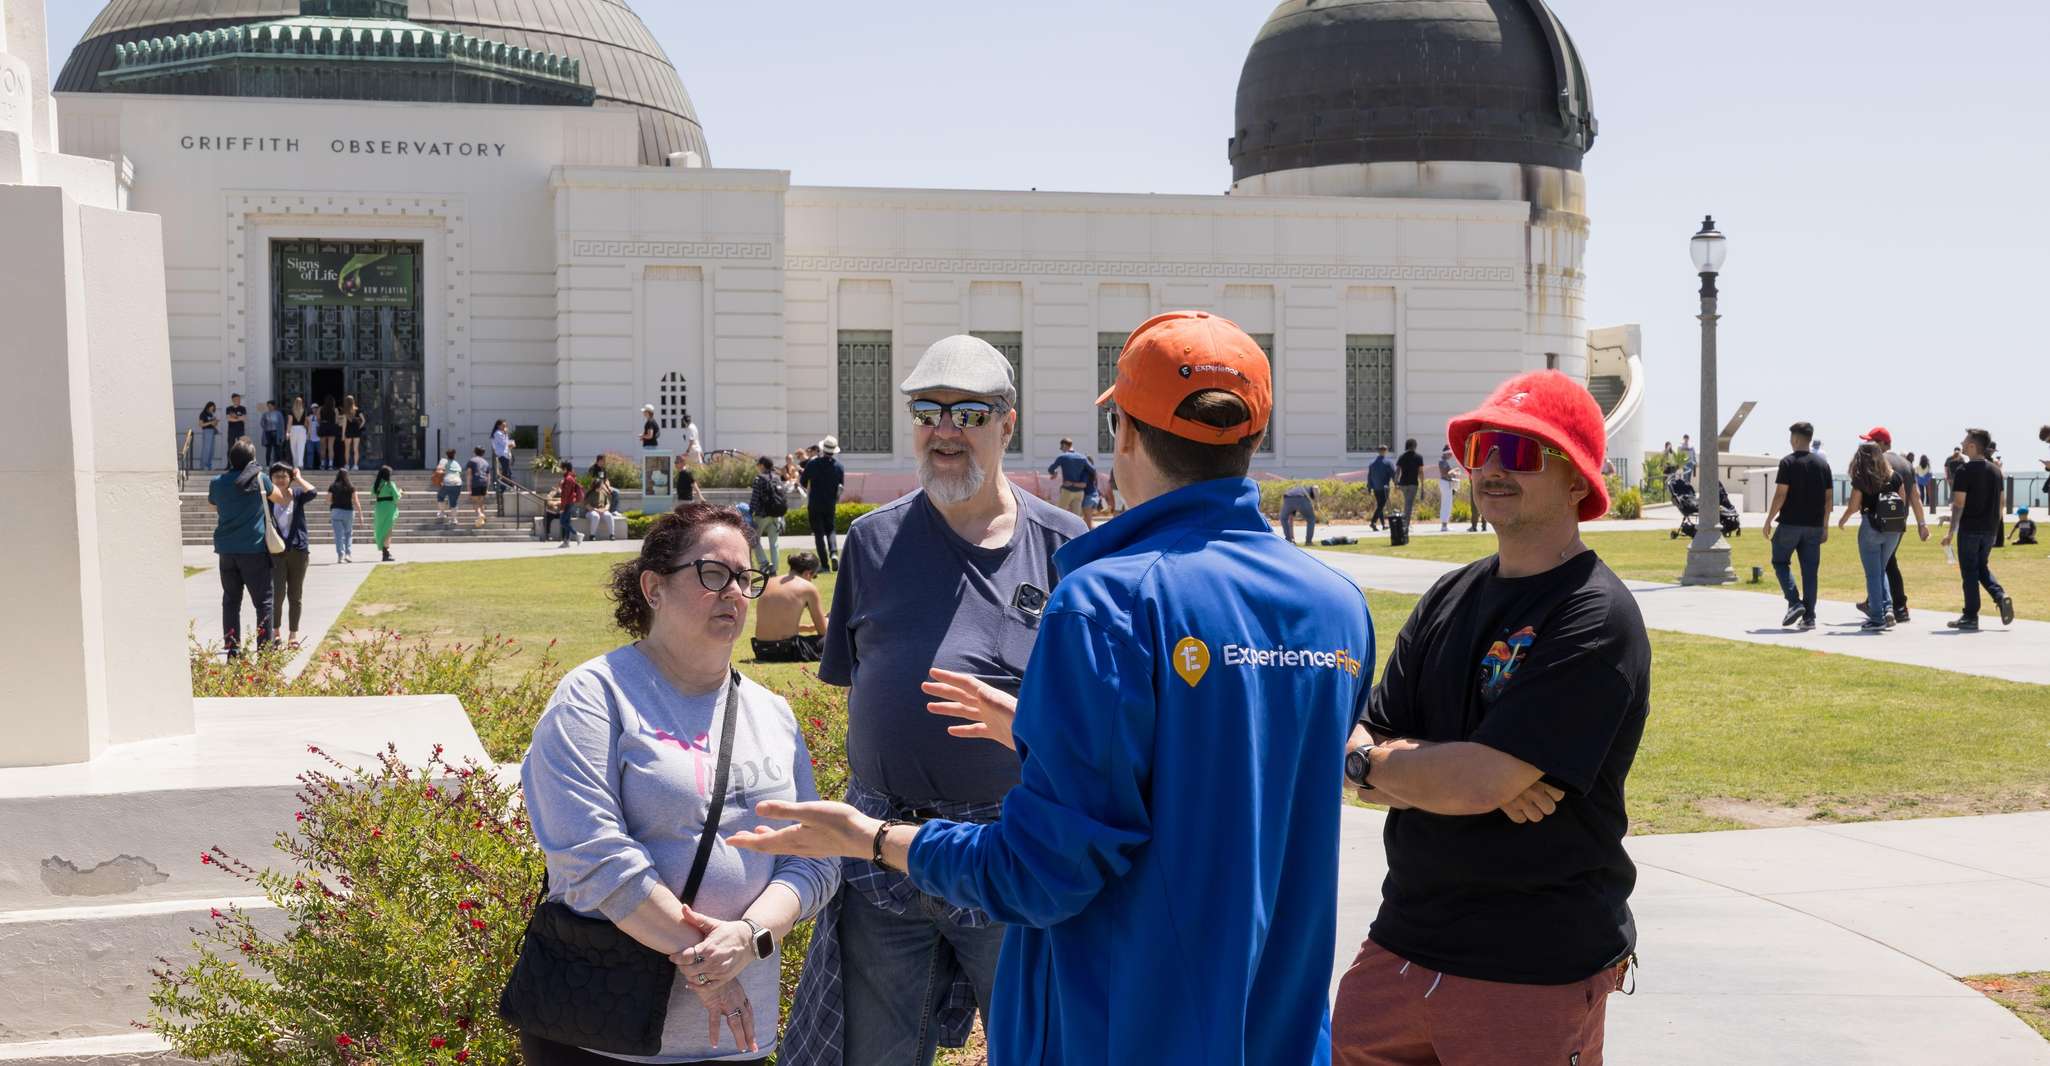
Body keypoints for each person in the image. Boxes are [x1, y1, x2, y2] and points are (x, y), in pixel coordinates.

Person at [733, 311, 1370, 1066]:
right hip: (1276, 1031)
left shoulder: (1108, 601)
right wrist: (1038, 728)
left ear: (1124, 434)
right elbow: (1208, 772)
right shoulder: (1335, 606)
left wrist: (869, 838)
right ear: (1252, 438)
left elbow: (1041, 873)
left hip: (1126, 1025)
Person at [767, 333, 1085, 1066]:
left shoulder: (1067, 548)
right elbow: (860, 681)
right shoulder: (873, 542)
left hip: (1012, 858)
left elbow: (1093, 718)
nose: (944, 431)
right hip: (881, 859)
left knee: (1043, 1049)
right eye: (926, 411)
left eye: (967, 412)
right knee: (871, 1054)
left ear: (1008, 423)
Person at [1333, 369, 1648, 1066]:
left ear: (1578, 481)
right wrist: (1386, 764)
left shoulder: (1595, 617)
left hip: (1532, 968)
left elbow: (1477, 780)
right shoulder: (1448, 595)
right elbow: (1361, 740)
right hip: (1399, 948)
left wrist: (1448, 772)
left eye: (1525, 449)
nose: (1495, 465)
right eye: (1482, 447)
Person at [516, 503, 838, 1065]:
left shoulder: (772, 712)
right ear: (654, 587)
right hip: (603, 1028)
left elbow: (814, 857)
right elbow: (591, 856)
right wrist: (708, 967)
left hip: (736, 1036)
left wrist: (751, 936)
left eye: (746, 578)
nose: (734, 592)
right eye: (713, 574)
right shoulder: (596, 695)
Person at [209, 438, 288, 657]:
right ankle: (264, 651)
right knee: (264, 602)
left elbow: (212, 503)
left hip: (226, 550)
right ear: (252, 460)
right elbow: (280, 499)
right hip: (254, 550)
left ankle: (233, 649)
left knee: (231, 600)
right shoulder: (261, 480)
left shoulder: (217, 482)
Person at [1854, 428, 1930, 625]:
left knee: (1884, 564)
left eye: (1871, 441)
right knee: (1886, 562)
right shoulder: (1905, 464)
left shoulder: (1875, 462)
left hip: (1876, 520)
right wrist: (1922, 524)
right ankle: (1881, 603)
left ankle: (1895, 606)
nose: (1867, 445)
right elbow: (1915, 496)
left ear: (1882, 443)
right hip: (1897, 522)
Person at [1761, 421, 1833, 629]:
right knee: (1810, 572)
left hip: (1790, 524)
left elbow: (1781, 494)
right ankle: (1809, 617)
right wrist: (1825, 526)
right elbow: (1829, 499)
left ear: (1795, 439)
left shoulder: (1788, 463)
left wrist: (1768, 520)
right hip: (1814, 526)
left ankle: (1794, 602)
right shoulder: (1823, 465)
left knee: (1780, 561)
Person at [1942, 429, 2015, 631]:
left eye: (1965, 441)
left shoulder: (1964, 472)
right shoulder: (1995, 471)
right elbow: (2002, 503)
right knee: (1981, 567)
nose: (1963, 443)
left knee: (1970, 573)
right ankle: (2001, 596)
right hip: (1990, 529)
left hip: (1970, 529)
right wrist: (1995, 528)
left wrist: (1950, 532)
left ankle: (1970, 616)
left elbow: (1958, 504)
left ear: (1973, 446)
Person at [1838, 441, 1907, 631]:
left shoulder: (1862, 479)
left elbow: (1853, 506)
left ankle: (1877, 618)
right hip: (1893, 530)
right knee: (1881, 569)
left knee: (1873, 574)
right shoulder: (1896, 477)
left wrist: (1842, 520)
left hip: (1871, 527)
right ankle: (1888, 608)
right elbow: (1902, 503)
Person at [268, 462, 317, 647]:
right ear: (271, 478)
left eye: (284, 476)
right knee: (277, 594)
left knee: (295, 595)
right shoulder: (268, 498)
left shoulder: (297, 495)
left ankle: (293, 634)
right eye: (276, 476)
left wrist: (299, 478)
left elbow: (313, 492)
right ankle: (276, 632)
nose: (280, 479)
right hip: (277, 553)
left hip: (298, 551)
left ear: (290, 479)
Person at [751, 551, 828, 662]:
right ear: (808, 573)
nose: (812, 580)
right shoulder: (808, 587)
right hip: (788, 651)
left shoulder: (769, 583)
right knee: (831, 640)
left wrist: (808, 628)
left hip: (761, 650)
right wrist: (828, 620)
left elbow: (776, 625)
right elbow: (823, 631)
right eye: (814, 576)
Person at [800, 437, 846, 571]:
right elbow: (840, 487)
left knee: (818, 534)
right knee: (831, 529)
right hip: (830, 503)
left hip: (815, 503)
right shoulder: (839, 467)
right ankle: (834, 553)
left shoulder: (813, 464)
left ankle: (825, 565)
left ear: (822, 449)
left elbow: (803, 481)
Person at [748, 457, 787, 574]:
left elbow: (755, 498)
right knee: (774, 543)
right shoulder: (777, 478)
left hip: (762, 515)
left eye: (758, 465)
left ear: (762, 465)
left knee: (754, 540)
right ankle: (774, 569)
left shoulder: (759, 479)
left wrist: (750, 512)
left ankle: (764, 563)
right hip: (776, 514)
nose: (757, 467)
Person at [1047, 438, 1094, 519]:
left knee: (1060, 515)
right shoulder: (1082, 458)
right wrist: (1084, 479)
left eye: (1061, 447)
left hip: (1067, 490)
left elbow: (1051, 469)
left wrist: (1054, 473)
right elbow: (1092, 470)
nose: (1061, 449)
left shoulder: (1062, 457)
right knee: (1076, 518)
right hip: (1079, 492)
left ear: (1065, 445)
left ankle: (1059, 531)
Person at [372, 465, 402, 563]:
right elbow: (396, 496)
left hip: (379, 508)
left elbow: (373, 492)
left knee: (381, 528)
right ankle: (385, 553)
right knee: (388, 530)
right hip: (389, 508)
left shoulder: (377, 484)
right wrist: (400, 491)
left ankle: (385, 551)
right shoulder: (390, 484)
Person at [328, 469, 357, 564]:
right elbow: (356, 501)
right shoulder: (351, 487)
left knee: (338, 535)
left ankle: (340, 555)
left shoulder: (332, 486)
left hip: (336, 511)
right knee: (348, 534)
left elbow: (328, 499)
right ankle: (348, 554)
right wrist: (360, 514)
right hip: (348, 512)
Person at [556, 461, 586, 548]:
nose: (561, 470)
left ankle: (577, 534)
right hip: (570, 502)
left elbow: (565, 494)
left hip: (567, 503)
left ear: (565, 469)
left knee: (562, 522)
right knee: (567, 522)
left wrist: (562, 506)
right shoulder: (570, 477)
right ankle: (567, 542)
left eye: (561, 468)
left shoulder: (568, 479)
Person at [585, 471, 622, 540]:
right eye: (601, 485)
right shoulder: (590, 494)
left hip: (602, 510)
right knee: (595, 516)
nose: (602, 486)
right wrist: (596, 510)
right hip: (591, 511)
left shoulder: (603, 493)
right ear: (597, 486)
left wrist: (604, 510)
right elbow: (587, 506)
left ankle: (612, 534)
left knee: (609, 515)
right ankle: (592, 535)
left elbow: (607, 504)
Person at [1367, 444, 1395, 531]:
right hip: (1384, 487)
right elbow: (1393, 474)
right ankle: (1373, 522)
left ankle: (1383, 525)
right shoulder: (1388, 463)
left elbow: (1369, 476)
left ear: (1378, 452)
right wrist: (1396, 483)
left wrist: (1369, 487)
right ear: (1386, 451)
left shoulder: (1372, 464)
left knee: (1380, 506)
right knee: (1381, 506)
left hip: (1376, 487)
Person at [1395, 438, 1424, 520]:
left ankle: (1405, 521)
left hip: (1403, 483)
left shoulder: (1402, 456)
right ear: (1415, 446)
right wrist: (1422, 486)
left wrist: (1396, 482)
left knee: (1407, 502)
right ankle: (1405, 523)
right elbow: (1421, 472)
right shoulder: (1419, 457)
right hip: (1413, 483)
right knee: (1409, 503)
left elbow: (1397, 470)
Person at [465, 446, 493, 527]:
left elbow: (469, 474)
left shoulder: (471, 461)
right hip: (484, 483)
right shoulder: (486, 462)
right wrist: (487, 488)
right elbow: (489, 477)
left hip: (475, 483)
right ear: (483, 453)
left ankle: (480, 514)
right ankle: (483, 517)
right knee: (481, 501)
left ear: (474, 452)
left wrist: (469, 488)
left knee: (475, 502)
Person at [432, 448, 463, 521]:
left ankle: (442, 513)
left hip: (448, 482)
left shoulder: (444, 461)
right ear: (454, 455)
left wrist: (438, 481)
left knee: (440, 496)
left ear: (447, 455)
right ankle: (454, 519)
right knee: (454, 501)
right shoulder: (456, 463)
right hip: (458, 483)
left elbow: (439, 470)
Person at [1437, 443, 1461, 531]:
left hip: (1446, 483)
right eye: (1450, 453)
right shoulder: (1442, 462)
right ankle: (1444, 525)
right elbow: (1445, 474)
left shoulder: (1443, 461)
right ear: (1446, 453)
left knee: (1446, 503)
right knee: (1446, 504)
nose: (1451, 455)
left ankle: (1445, 524)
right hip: (1445, 483)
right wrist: (1454, 471)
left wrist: (1452, 472)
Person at [286, 396, 310, 473]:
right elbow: (307, 423)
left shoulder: (291, 411)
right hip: (302, 429)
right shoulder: (305, 411)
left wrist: (287, 432)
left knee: (293, 447)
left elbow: (290, 422)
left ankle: (295, 464)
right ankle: (300, 464)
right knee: (301, 447)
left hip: (293, 429)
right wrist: (308, 431)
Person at [491, 418, 514, 494]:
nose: (504, 427)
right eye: (503, 425)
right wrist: (511, 443)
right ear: (498, 426)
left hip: (505, 454)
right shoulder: (498, 433)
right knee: (506, 472)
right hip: (502, 454)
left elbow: (506, 443)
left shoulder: (502, 433)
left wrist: (506, 436)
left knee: (507, 472)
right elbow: (505, 443)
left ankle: (506, 487)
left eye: (505, 425)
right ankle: (507, 487)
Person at [195, 401, 220, 470]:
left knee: (211, 450)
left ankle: (209, 465)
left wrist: (215, 422)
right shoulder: (203, 414)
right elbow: (201, 424)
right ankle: (203, 466)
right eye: (212, 407)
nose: (213, 409)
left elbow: (214, 424)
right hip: (206, 432)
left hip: (212, 432)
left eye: (214, 407)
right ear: (208, 406)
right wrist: (210, 422)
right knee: (206, 449)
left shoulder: (211, 414)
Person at [223, 393, 247, 463]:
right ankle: (229, 464)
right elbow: (229, 419)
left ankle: (241, 464)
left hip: (240, 430)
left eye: (239, 399)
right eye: (237, 399)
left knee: (242, 447)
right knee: (230, 447)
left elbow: (244, 418)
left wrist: (234, 417)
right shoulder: (229, 408)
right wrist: (238, 418)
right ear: (233, 400)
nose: (239, 400)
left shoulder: (243, 408)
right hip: (231, 430)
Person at [259, 400, 285, 464]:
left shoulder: (278, 414)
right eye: (268, 406)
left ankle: (278, 463)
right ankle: (268, 464)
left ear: (273, 406)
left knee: (277, 449)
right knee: (268, 449)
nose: (269, 407)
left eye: (270, 406)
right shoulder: (265, 414)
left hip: (276, 433)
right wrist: (266, 427)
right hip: (268, 433)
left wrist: (282, 435)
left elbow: (282, 424)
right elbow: (262, 423)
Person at [317, 399, 340, 471]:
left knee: (322, 447)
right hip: (332, 427)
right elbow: (337, 421)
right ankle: (330, 465)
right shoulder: (335, 409)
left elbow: (318, 418)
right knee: (330, 447)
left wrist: (321, 423)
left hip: (323, 426)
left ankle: (322, 464)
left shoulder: (320, 408)